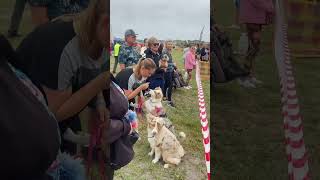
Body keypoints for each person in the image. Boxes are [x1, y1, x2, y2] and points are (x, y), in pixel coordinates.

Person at [14, 0, 109, 155]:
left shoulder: (99, 36)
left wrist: (99, 102)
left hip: (53, 112)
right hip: (24, 124)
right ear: (105, 23)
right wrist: (99, 83)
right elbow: (54, 113)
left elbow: (93, 69)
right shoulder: (60, 45)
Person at [238, 0, 274, 88]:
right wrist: (272, 7)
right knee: (252, 49)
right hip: (252, 18)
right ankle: (243, 77)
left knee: (254, 48)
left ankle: (249, 75)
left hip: (255, 18)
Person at [162, 40, 176, 107]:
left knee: (166, 85)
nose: (170, 45)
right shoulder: (165, 52)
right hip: (166, 71)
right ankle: (169, 100)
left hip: (170, 70)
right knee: (169, 85)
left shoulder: (169, 52)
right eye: (169, 44)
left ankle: (164, 98)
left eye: (171, 44)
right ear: (166, 44)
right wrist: (173, 64)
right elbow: (164, 63)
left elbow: (169, 61)